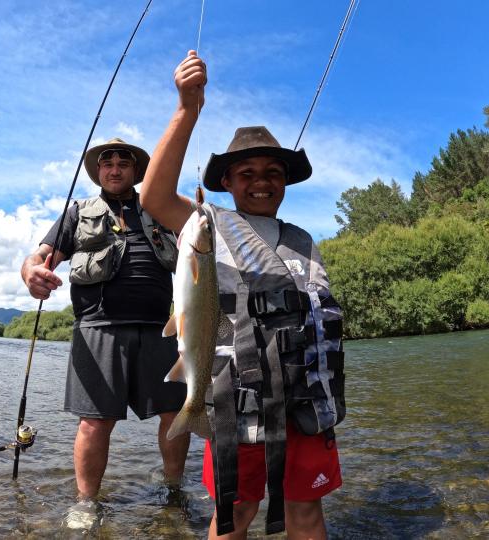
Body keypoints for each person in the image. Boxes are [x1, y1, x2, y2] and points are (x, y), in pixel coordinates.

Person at [140, 51, 346, 540]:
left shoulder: (302, 240)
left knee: (306, 511)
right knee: (238, 513)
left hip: (305, 405)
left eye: (272, 172)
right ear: (226, 183)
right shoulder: (207, 225)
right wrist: (186, 110)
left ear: (286, 182)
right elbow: (153, 197)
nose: (260, 182)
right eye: (246, 173)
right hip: (239, 407)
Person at [20, 137, 191, 528]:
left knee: (176, 413)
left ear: (136, 170)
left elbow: (200, 241)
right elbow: (38, 257)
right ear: (99, 171)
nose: (114, 168)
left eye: (123, 163)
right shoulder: (77, 212)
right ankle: (86, 503)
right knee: (94, 422)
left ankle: (174, 487)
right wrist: (30, 271)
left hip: (161, 329)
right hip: (98, 328)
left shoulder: (160, 207)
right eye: (107, 163)